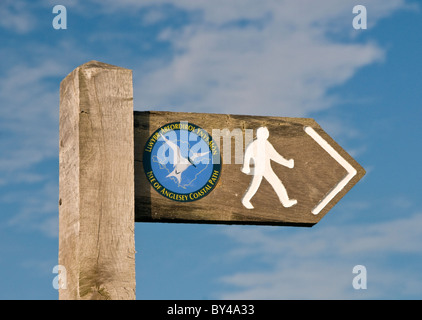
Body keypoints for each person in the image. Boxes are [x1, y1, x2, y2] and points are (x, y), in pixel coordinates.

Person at [241, 127, 297, 209]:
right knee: (255, 185)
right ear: (257, 134)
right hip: (259, 169)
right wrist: (246, 166)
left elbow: (275, 156)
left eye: (266, 133)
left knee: (276, 183)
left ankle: (285, 201)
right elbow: (247, 154)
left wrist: (287, 163)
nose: (265, 135)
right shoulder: (255, 144)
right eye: (262, 133)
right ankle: (245, 200)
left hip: (267, 169)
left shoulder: (266, 144)